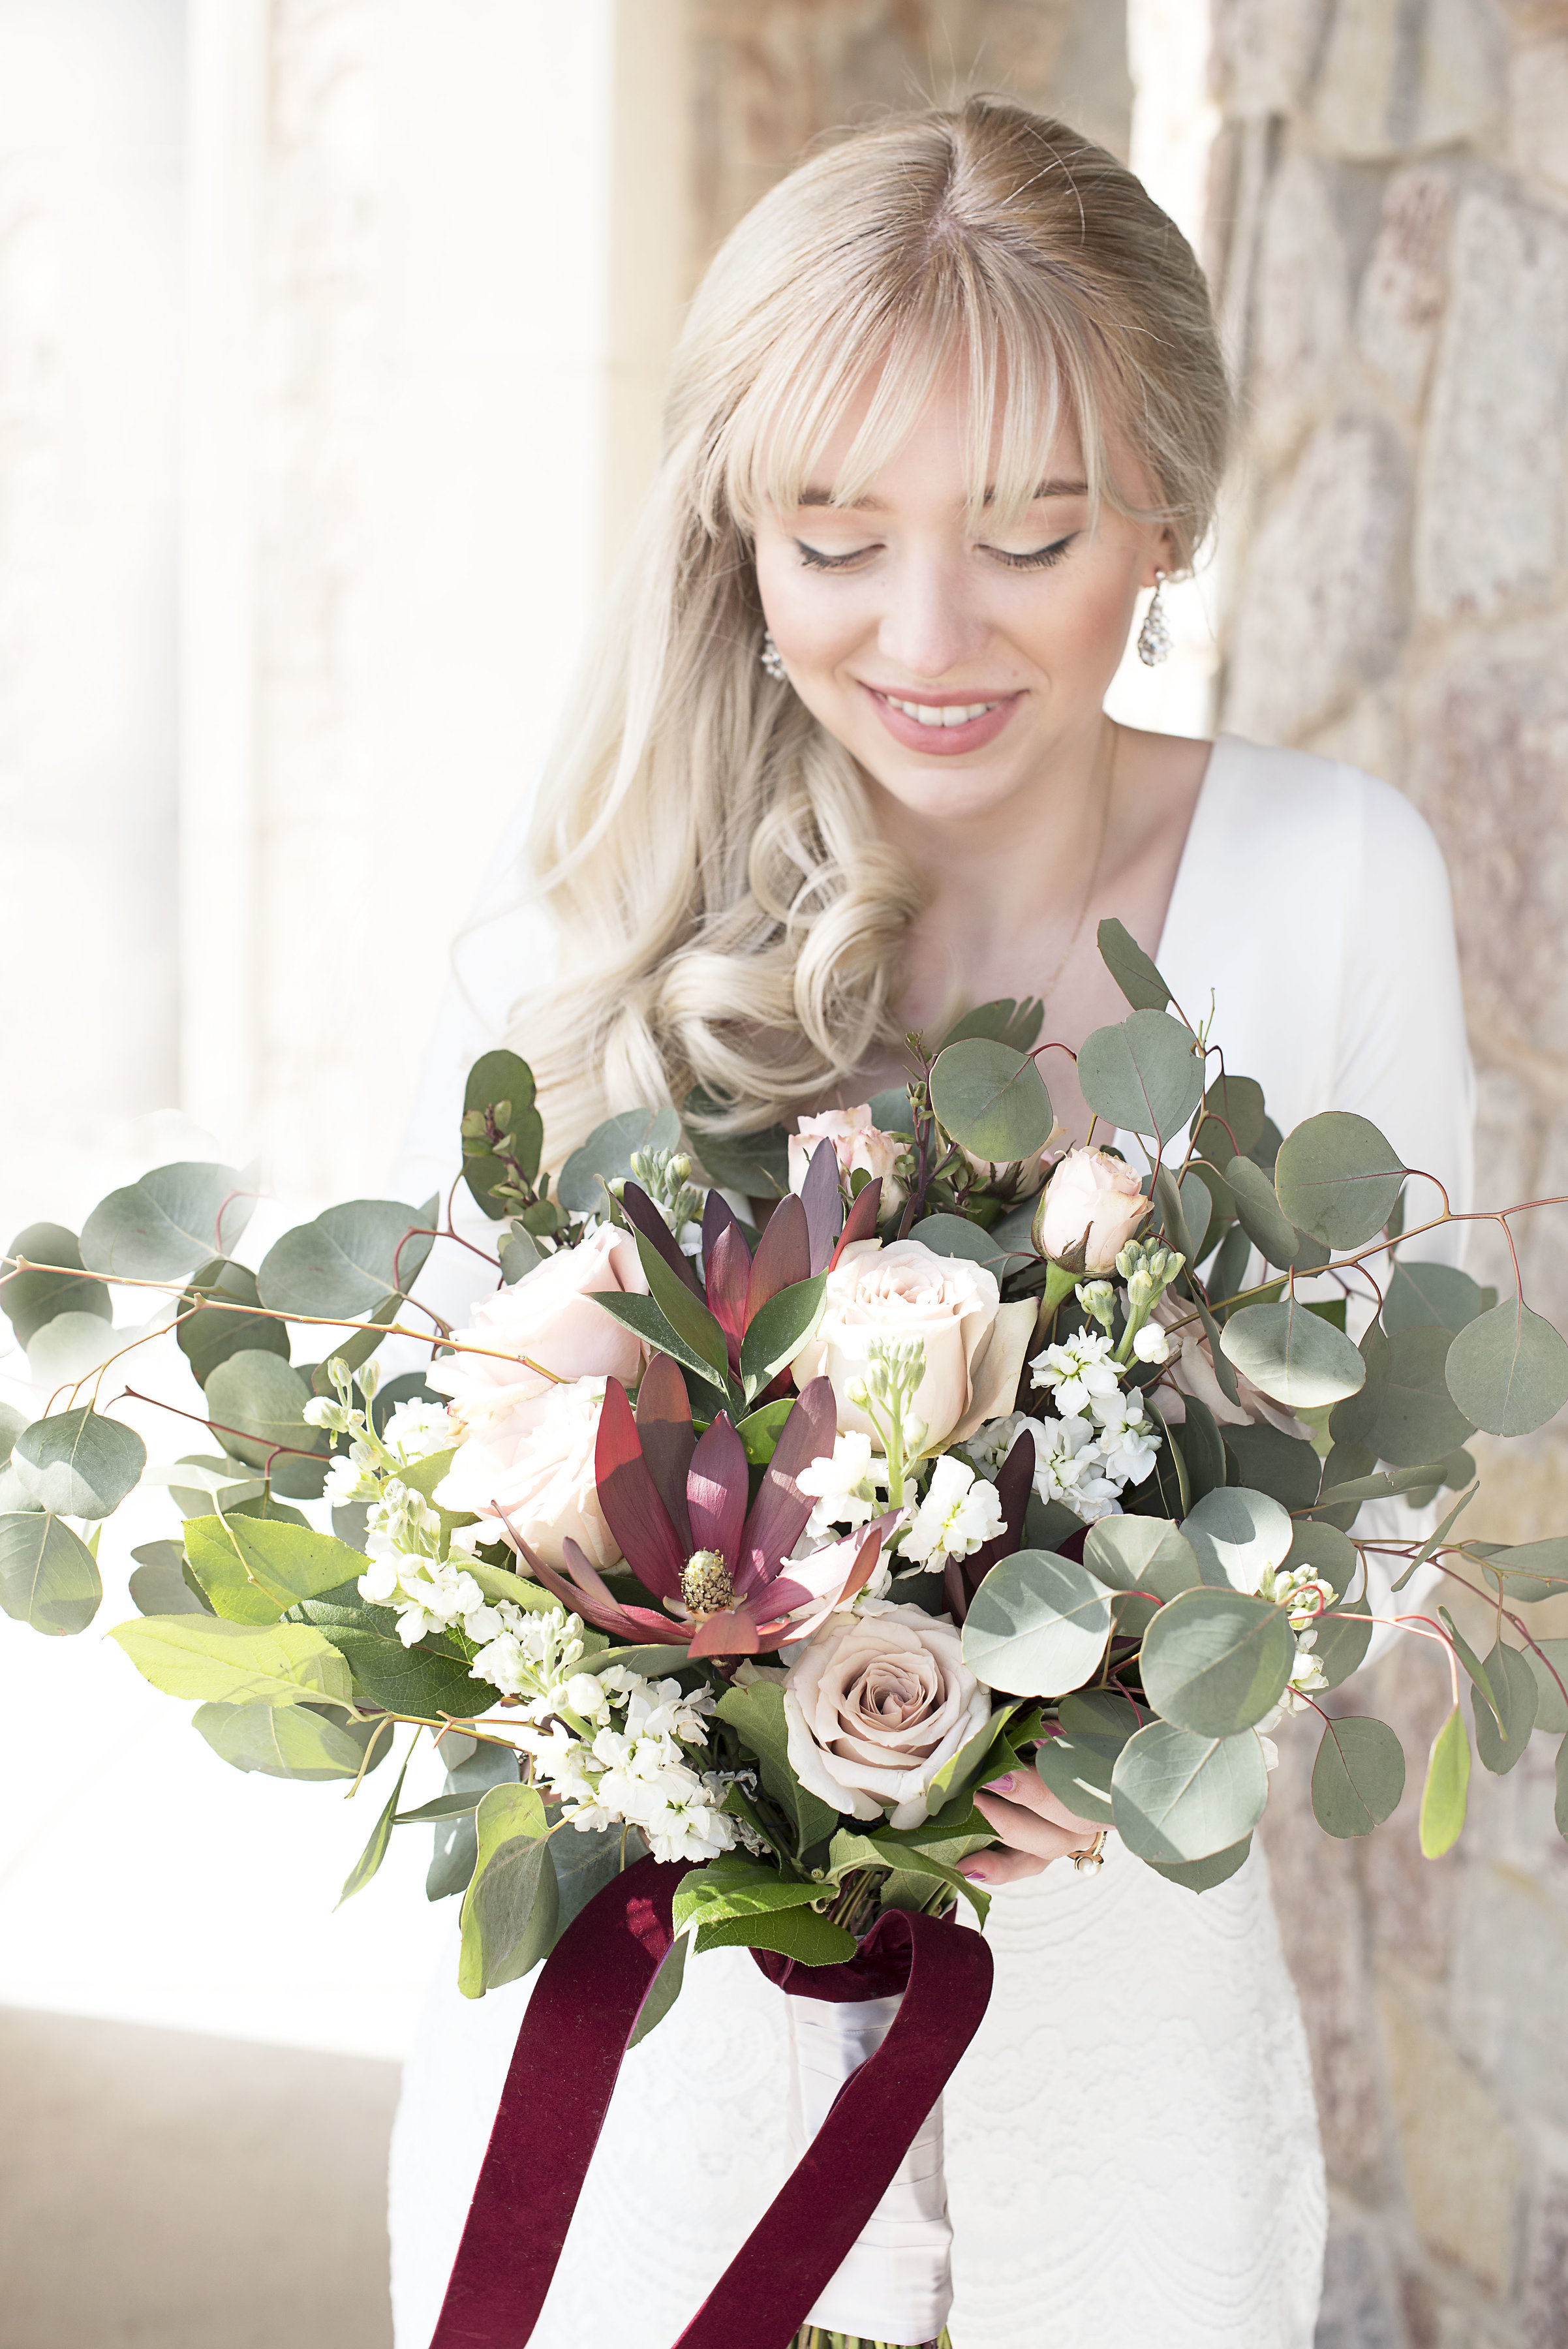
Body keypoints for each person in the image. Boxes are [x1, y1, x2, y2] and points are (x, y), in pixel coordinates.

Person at [388, 99, 1473, 2349]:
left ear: (1162, 513)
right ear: (738, 537)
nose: (926, 632)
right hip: (649, 2106)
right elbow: (424, 1510)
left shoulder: (1330, 872)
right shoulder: (584, 917)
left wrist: (1081, 1702)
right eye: (832, 539)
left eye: (1030, 532)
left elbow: (1396, 1538)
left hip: (1124, 2118)